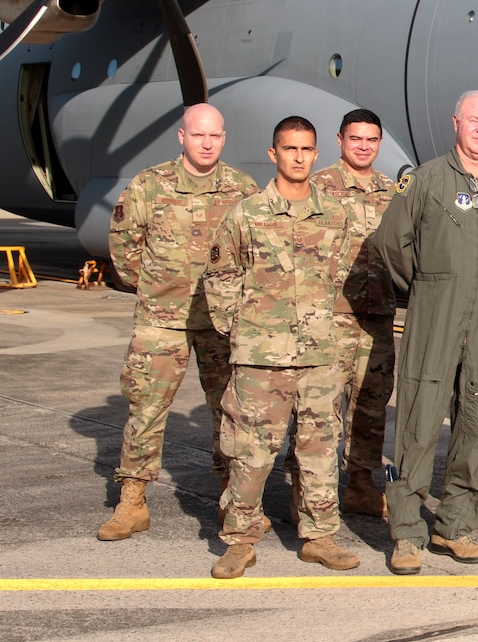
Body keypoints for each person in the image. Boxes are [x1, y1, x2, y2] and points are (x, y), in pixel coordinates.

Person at [369, 91, 478, 574]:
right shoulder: (424, 180)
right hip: (435, 310)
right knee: (420, 418)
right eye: (474, 120)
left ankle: (455, 525)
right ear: (456, 122)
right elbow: (391, 242)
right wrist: (429, 284)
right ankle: (406, 532)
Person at [202, 116, 356, 579]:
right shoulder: (246, 214)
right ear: (274, 154)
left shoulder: (335, 215)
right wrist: (243, 330)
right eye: (289, 149)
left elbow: (341, 275)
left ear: (315, 154)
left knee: (320, 448)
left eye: (306, 149)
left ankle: (319, 536)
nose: (298, 157)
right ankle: (240, 540)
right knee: (249, 450)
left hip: (319, 356)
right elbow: (221, 275)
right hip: (261, 356)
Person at [97, 102, 258, 542]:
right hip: (161, 321)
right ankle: (132, 501)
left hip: (220, 322)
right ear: (182, 137)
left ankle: (232, 498)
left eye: (215, 136)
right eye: (198, 135)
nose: (207, 143)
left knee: (228, 411)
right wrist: (155, 291)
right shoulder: (150, 185)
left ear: (223, 139)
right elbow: (124, 249)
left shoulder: (242, 189)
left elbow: (254, 252)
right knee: (145, 410)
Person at [309, 109, 396, 519]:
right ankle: (309, 492)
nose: (364, 146)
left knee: (371, 407)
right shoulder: (316, 187)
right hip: (329, 318)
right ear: (341, 138)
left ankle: (360, 484)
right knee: (319, 411)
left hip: (376, 317)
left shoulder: (393, 192)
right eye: (356, 138)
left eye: (371, 140)